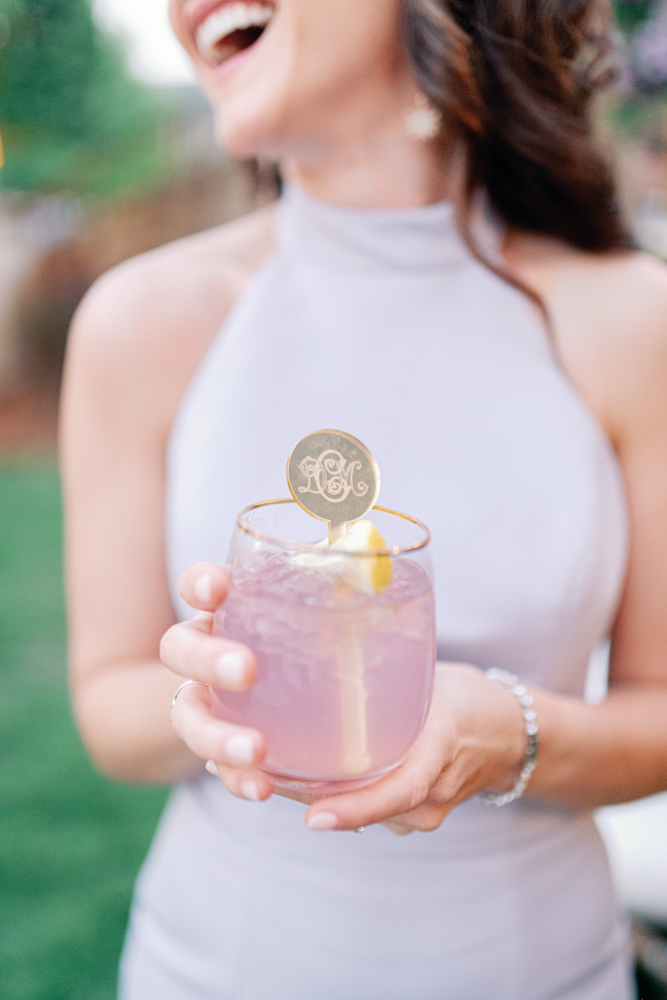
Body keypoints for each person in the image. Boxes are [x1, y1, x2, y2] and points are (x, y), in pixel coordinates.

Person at [61, 1, 667, 997]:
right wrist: (212, 690)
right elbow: (110, 703)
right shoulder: (141, 322)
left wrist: (507, 733)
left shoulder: (633, 321)